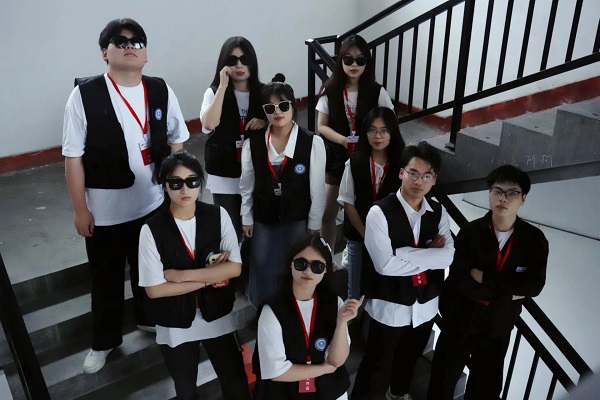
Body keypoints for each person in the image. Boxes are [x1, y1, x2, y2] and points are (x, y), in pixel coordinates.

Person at [62, 18, 189, 374]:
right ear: (105, 53)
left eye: (138, 41)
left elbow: (177, 139)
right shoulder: (84, 95)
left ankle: (147, 319)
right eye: (120, 41)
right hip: (105, 214)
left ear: (146, 53)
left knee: (149, 270)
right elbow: (72, 157)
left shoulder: (160, 89)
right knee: (105, 280)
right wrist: (80, 210)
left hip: (152, 204)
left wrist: (176, 189)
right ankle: (104, 341)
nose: (131, 46)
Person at [427, 165, 549, 400]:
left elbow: (533, 286)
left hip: (497, 327)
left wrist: (485, 278)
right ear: (489, 194)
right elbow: (460, 280)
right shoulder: (470, 232)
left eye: (512, 193)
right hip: (461, 320)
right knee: (442, 382)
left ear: (523, 199)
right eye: (497, 191)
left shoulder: (534, 240)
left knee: (486, 390)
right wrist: (508, 292)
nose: (503, 198)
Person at [138, 150, 251, 400]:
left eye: (192, 181)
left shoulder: (217, 215)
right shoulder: (151, 229)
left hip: (217, 314)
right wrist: (209, 277)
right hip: (174, 321)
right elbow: (154, 290)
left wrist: (180, 277)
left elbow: (234, 268)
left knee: (235, 383)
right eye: (175, 183)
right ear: (164, 186)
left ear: (201, 183)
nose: (184, 190)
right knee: (186, 390)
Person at [351, 142, 454, 400]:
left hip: (426, 305)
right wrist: (430, 256)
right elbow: (384, 265)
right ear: (401, 173)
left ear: (434, 180)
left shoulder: (438, 211)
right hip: (389, 306)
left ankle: (397, 395)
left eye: (427, 176)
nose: (419, 181)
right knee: (376, 367)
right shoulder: (379, 212)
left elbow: (448, 257)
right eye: (413, 173)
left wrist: (403, 253)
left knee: (409, 362)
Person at [240, 79, 326, 307]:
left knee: (295, 262)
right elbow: (247, 184)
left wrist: (314, 222)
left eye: (283, 106)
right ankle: (263, 306)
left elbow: (317, 189)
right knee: (261, 262)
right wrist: (246, 216)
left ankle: (290, 306)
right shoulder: (254, 143)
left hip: (297, 215)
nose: (277, 112)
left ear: (293, 106)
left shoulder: (312, 143)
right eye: (270, 108)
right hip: (263, 214)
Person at [253, 233, 363, 399]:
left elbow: (336, 361)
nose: (307, 271)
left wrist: (342, 323)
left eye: (317, 266)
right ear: (290, 265)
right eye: (301, 264)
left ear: (325, 270)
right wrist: (323, 369)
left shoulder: (334, 302)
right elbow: (276, 372)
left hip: (328, 390)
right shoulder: (272, 310)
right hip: (287, 393)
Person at [316, 34, 394, 254]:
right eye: (348, 59)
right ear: (340, 60)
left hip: (367, 159)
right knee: (327, 214)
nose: (354, 65)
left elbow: (390, 123)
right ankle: (326, 258)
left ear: (367, 63)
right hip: (337, 159)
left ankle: (362, 256)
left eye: (360, 60)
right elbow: (321, 126)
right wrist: (343, 140)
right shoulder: (330, 90)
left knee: (365, 210)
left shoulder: (377, 91)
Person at [200, 36, 265, 239]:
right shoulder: (213, 92)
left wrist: (266, 121)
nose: (239, 65)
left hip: (256, 172)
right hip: (224, 174)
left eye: (244, 59)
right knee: (229, 234)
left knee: (257, 232)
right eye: (233, 60)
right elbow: (209, 124)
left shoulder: (263, 92)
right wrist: (222, 86)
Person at [337, 107, 405, 299]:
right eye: (372, 130)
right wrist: (366, 234)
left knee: (383, 289)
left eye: (384, 130)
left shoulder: (403, 164)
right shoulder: (355, 162)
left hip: (391, 239)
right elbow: (347, 202)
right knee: (355, 292)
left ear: (393, 132)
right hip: (359, 236)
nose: (378, 136)